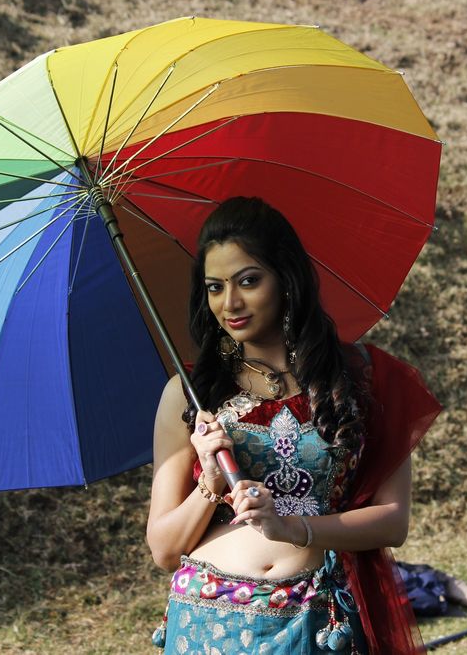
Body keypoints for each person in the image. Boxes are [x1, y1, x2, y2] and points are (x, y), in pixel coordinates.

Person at [146, 197, 441, 654]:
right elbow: (165, 551)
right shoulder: (189, 396)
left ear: (286, 278)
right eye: (215, 287)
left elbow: (392, 521)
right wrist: (209, 483)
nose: (230, 303)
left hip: (317, 622)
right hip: (206, 625)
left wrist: (291, 527)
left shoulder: (361, 379)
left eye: (248, 280)